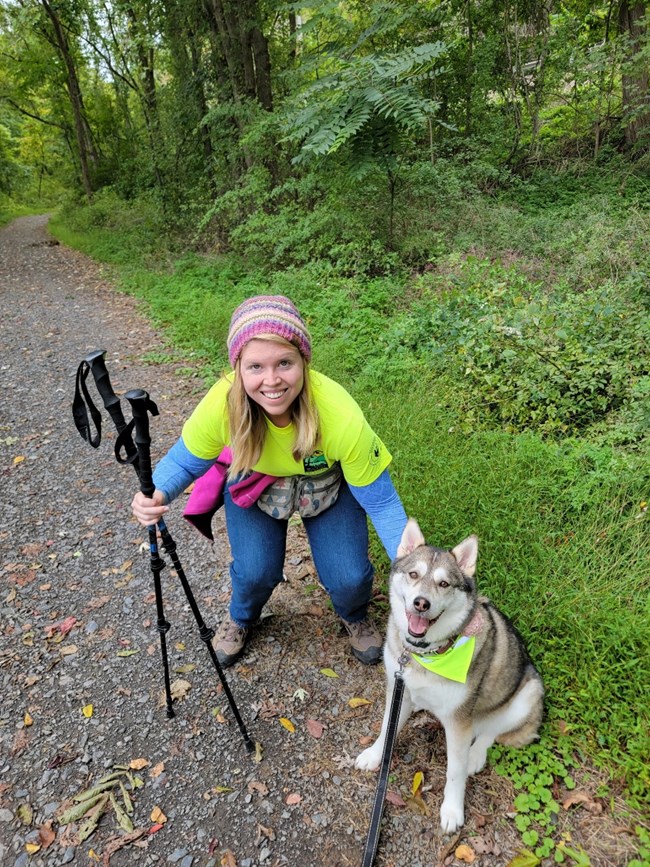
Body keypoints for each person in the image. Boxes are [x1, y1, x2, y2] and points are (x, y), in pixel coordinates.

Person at [132, 295, 408, 667]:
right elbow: (184, 462)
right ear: (238, 368)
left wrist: (415, 569)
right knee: (254, 571)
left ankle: (355, 615)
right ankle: (241, 618)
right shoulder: (221, 405)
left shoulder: (339, 414)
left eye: (284, 363)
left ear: (304, 362)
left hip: (327, 488)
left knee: (350, 577)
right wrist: (156, 493)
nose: (272, 380)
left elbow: (381, 502)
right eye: (256, 366)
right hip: (253, 484)